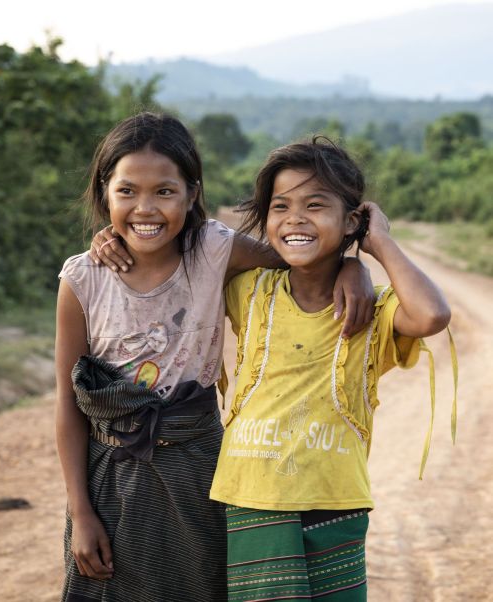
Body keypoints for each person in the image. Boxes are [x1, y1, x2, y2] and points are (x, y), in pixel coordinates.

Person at [55, 113, 373, 602]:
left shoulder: (212, 251)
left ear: (191, 194)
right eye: (127, 192)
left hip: (201, 470)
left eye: (164, 191)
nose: (146, 208)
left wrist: (351, 266)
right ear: (104, 194)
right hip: (111, 480)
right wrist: (80, 512)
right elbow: (67, 406)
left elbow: (300, 258)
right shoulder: (82, 280)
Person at [208, 138, 454, 601]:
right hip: (252, 496)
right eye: (280, 207)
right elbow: (197, 248)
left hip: (335, 500)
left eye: (315, 205)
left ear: (351, 221)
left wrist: (374, 245)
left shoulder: (372, 311)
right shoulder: (250, 291)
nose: (295, 218)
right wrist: (342, 259)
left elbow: (431, 315)